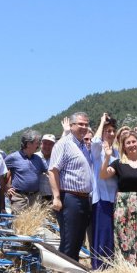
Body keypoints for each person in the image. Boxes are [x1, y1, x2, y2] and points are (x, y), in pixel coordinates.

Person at [100, 130, 137, 267]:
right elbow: (103, 175)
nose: (132, 145)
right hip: (123, 205)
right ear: (123, 146)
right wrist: (107, 157)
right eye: (128, 143)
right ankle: (127, 268)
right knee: (124, 236)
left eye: (134, 141)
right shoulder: (118, 163)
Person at [48, 112, 93, 261]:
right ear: (71, 125)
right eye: (80, 124)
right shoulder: (64, 144)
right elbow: (53, 170)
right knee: (69, 240)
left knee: (78, 241)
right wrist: (56, 197)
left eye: (86, 124)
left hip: (84, 198)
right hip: (70, 198)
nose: (84, 127)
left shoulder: (83, 146)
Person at [90, 113, 119, 269]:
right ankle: (100, 267)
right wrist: (102, 122)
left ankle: (112, 265)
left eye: (113, 131)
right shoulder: (98, 149)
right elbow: (94, 141)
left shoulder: (117, 152)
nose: (111, 133)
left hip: (114, 198)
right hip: (101, 198)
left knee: (112, 235)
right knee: (102, 234)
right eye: (108, 131)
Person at [4, 130, 46, 213]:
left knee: (35, 224)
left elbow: (49, 172)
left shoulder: (38, 159)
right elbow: (1, 173)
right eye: (37, 143)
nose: (39, 145)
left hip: (35, 198)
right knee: (18, 223)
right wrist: (6, 188)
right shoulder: (13, 157)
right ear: (28, 144)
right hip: (19, 198)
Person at [37, 134, 56, 202]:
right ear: (40, 144)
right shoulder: (34, 157)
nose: (47, 146)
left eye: (50, 144)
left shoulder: (57, 158)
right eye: (45, 143)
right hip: (37, 197)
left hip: (53, 196)